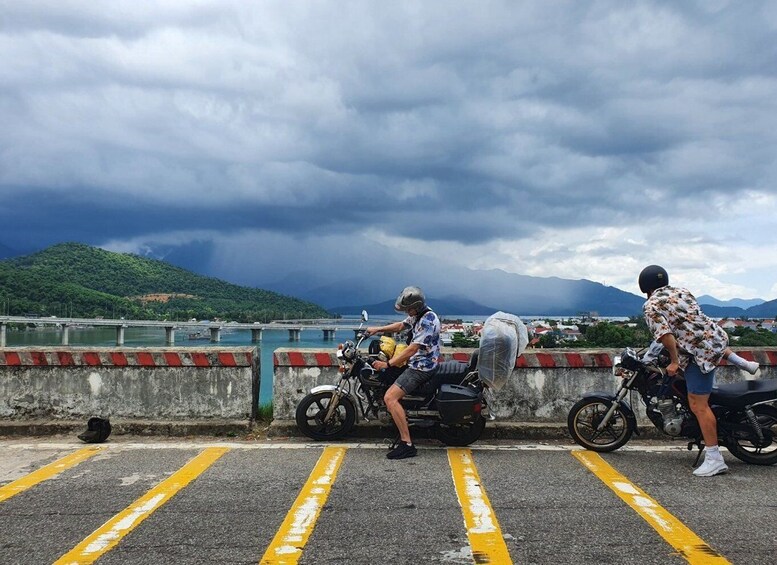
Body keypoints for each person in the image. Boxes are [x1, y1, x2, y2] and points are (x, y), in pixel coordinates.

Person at [638, 265, 745, 477]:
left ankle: (715, 458)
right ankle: (738, 360)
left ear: (644, 286)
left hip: (699, 355)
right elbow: (692, 322)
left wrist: (674, 361)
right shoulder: (682, 292)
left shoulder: (651, 305)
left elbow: (665, 335)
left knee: (698, 404)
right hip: (716, 341)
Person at [365, 286, 441, 460]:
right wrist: (378, 329)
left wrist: (387, 364)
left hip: (421, 367)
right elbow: (401, 325)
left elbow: (412, 349)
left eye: (409, 308)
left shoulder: (428, 320)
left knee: (390, 398)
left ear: (417, 305)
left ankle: (407, 444)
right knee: (386, 382)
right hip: (417, 363)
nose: (407, 312)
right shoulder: (418, 315)